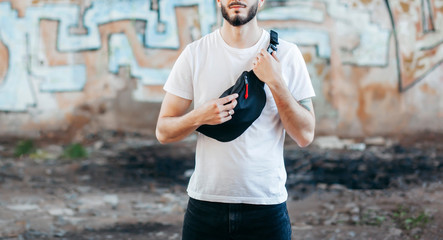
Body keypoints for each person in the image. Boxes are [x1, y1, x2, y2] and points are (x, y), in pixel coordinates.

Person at [156, 0, 316, 239]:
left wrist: (275, 81)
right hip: (206, 206)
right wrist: (200, 116)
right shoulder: (195, 53)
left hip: (266, 207)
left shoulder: (287, 54)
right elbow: (163, 131)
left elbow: (305, 135)